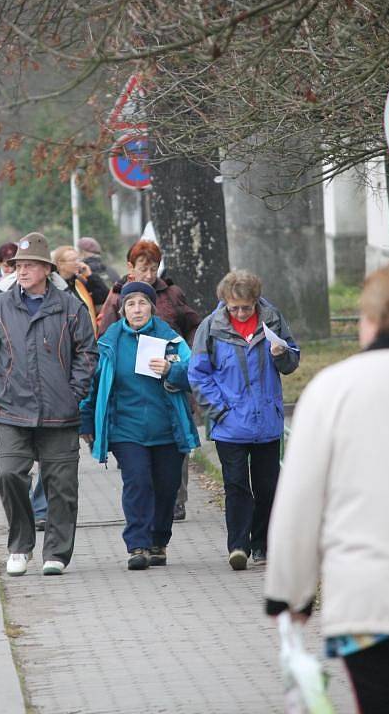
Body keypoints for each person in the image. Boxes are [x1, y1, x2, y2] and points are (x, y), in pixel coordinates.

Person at [265, 263, 389, 714]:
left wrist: (290, 595)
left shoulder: (333, 390)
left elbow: (299, 503)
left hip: (370, 604)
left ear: (371, 320)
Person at [0, 232, 98, 577]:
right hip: (11, 411)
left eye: (28, 265)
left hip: (60, 413)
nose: (21, 271)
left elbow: (87, 353)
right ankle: (20, 546)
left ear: (45, 269)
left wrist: (75, 391)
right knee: (8, 475)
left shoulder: (70, 307)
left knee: (61, 487)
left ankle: (56, 552)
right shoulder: (0, 306)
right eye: (17, 266)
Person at [80, 281, 200, 570]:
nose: (137, 309)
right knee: (137, 482)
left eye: (142, 303)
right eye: (131, 304)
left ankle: (159, 540)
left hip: (167, 428)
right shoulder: (110, 340)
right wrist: (86, 420)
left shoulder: (169, 337)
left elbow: (195, 374)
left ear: (152, 307)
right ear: (122, 310)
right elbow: (94, 384)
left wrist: (173, 370)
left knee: (167, 487)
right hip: (126, 429)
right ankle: (137, 545)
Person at [188, 269, 299, 571]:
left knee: (267, 486)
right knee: (236, 485)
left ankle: (263, 544)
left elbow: (292, 360)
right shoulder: (210, 328)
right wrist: (220, 410)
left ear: (256, 301)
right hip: (229, 424)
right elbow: (197, 374)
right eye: (233, 307)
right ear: (224, 302)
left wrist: (281, 354)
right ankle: (238, 545)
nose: (239, 312)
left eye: (245, 307)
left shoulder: (272, 319)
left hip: (266, 422)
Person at [98, 239, 201, 520]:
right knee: (139, 473)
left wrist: (182, 354)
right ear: (131, 268)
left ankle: (175, 500)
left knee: (172, 449)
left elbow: (193, 325)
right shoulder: (118, 296)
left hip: (170, 380)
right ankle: (143, 526)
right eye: (144, 268)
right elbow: (105, 337)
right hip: (130, 401)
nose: (149, 274)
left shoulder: (172, 293)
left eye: (153, 268)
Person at [52, 245, 109, 331]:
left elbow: (103, 297)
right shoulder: (53, 286)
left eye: (78, 259)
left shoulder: (79, 282)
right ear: (60, 264)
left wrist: (90, 275)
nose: (78, 263)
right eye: (73, 260)